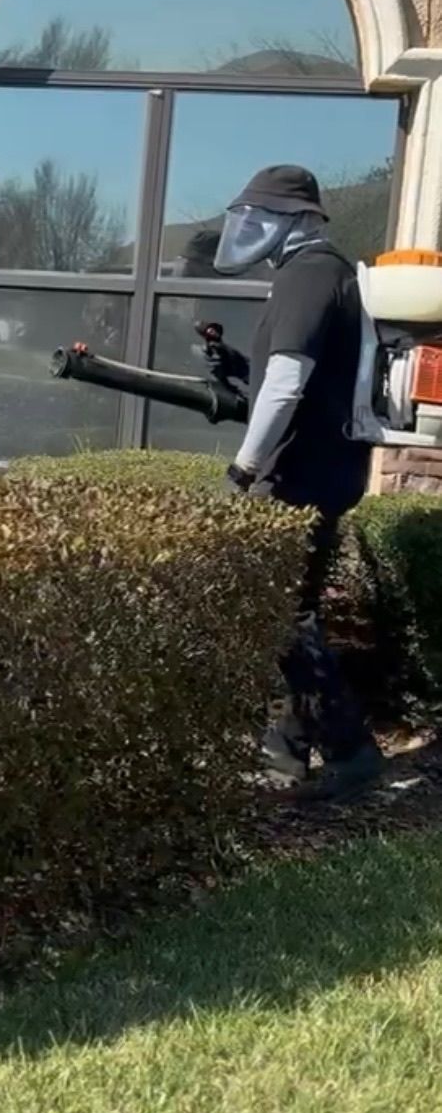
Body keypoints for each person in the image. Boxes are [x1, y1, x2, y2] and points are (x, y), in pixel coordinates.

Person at [213, 164, 384, 802]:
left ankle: (349, 748)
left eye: (261, 216)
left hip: (295, 479)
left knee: (283, 616)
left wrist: (244, 469)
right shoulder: (328, 275)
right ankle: (289, 747)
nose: (250, 229)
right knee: (294, 613)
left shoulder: (308, 278)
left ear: (297, 219)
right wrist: (233, 364)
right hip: (325, 470)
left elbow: (287, 383)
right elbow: (295, 375)